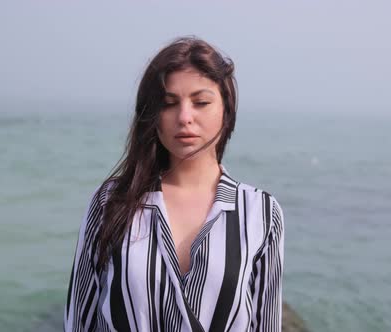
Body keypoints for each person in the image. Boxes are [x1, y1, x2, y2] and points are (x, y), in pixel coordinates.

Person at [64, 36, 284, 332]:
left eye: (201, 102)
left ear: (226, 109)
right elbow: (80, 319)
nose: (184, 118)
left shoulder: (260, 212)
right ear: (152, 116)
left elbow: (265, 324)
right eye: (168, 104)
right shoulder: (111, 202)